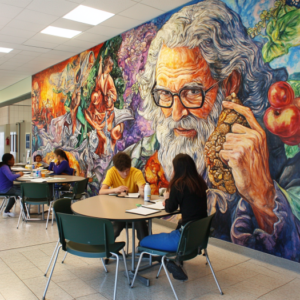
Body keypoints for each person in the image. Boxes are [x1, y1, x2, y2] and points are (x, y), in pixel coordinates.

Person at [120, 0, 300, 261]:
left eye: (192, 91)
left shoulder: (279, 153)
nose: (176, 113)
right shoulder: (142, 157)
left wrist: (263, 196)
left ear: (230, 83)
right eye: (165, 94)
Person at [140, 154, 208, 280]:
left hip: (182, 239)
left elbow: (170, 208)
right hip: (197, 238)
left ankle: (165, 260)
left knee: (143, 241)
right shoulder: (199, 183)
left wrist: (167, 198)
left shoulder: (179, 184)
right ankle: (172, 260)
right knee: (175, 228)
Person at [100, 152, 148, 242]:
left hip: (134, 211)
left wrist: (142, 191)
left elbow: (142, 189)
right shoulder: (111, 172)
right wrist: (115, 190)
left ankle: (144, 249)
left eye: (127, 170)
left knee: (141, 222)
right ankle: (108, 249)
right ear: (116, 168)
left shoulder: (136, 172)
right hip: (117, 211)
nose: (125, 173)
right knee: (115, 226)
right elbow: (102, 191)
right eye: (122, 171)